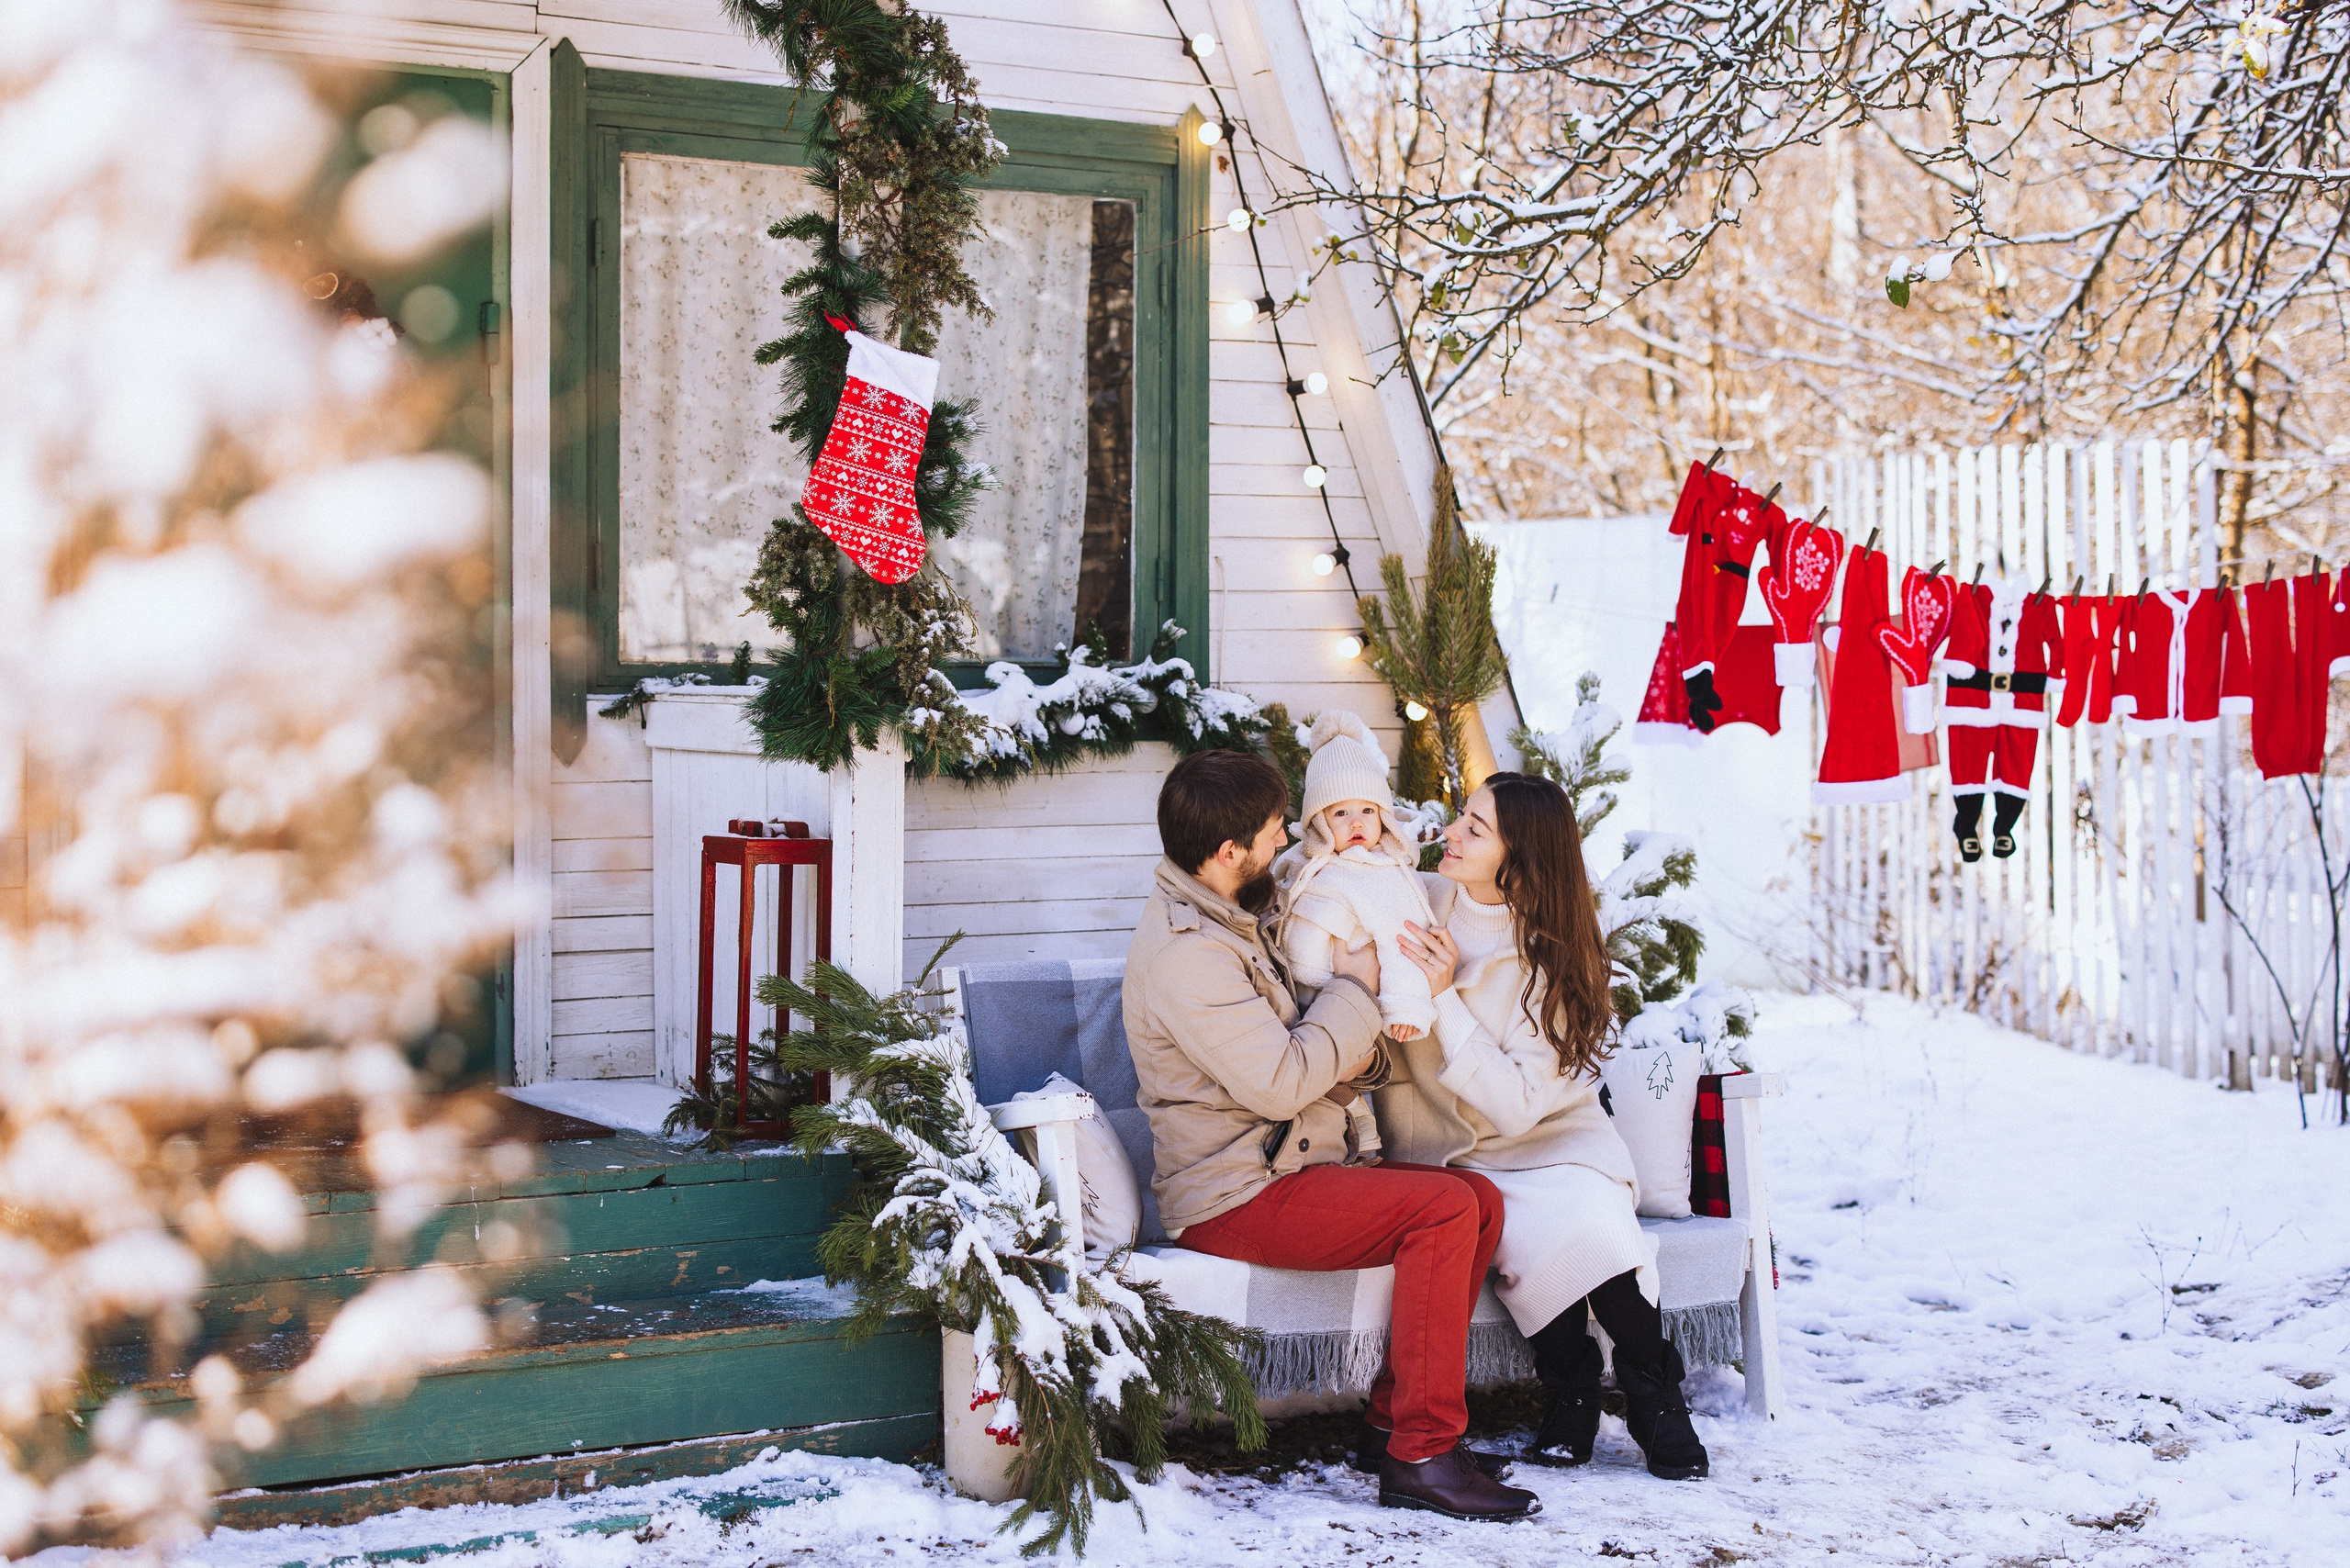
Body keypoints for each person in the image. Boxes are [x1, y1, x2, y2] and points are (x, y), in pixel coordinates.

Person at [1123, 748, 1540, 1521]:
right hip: (1236, 1194)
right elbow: (1282, 1080)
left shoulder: (1230, 912)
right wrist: (1357, 986)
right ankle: (1424, 1454)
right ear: (1227, 854)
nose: (1286, 843)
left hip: (1288, 1163)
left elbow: (1310, 1052)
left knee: (1474, 1198)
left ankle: (1392, 1426)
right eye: (1275, 832)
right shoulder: (1188, 956)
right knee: (1444, 1211)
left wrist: (1351, 1033)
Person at [1385, 772, 1710, 1480]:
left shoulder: (1556, 954)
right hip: (1455, 1154)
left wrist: (1446, 1003)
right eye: (1460, 817)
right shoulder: (1419, 900)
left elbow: (1517, 1107)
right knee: (1511, 1230)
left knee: (1597, 1225)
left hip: (1552, 1141)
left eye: (1477, 828)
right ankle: (1571, 1390)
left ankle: (1658, 1398)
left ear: (1521, 857)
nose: (1454, 834)